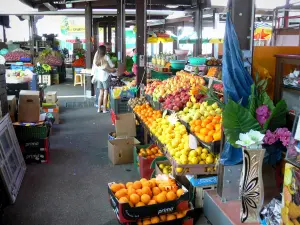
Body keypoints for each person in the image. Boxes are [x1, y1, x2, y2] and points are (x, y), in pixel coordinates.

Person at [92, 45, 116, 113]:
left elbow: (96, 67)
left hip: (99, 78)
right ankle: (104, 109)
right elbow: (112, 66)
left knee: (100, 93)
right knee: (106, 93)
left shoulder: (97, 58)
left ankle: (99, 109)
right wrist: (113, 65)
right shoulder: (106, 57)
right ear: (104, 50)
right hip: (105, 77)